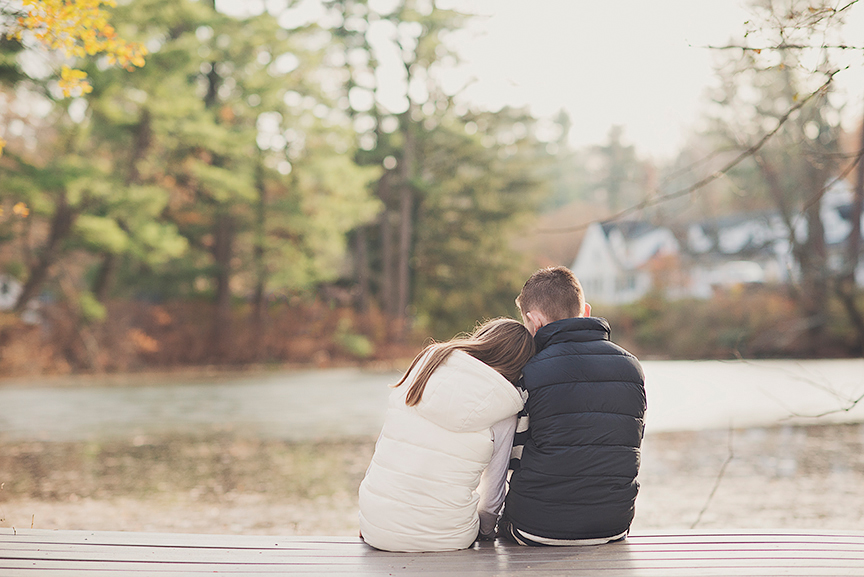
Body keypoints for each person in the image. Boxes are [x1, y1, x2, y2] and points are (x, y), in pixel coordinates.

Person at [358, 318, 536, 553]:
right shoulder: (505, 406)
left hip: (376, 527)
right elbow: (491, 501)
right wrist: (485, 532)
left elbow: (384, 445)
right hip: (448, 536)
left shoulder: (429, 362)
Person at [500, 266, 646, 546]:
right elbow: (630, 444)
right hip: (613, 526)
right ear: (586, 311)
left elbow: (512, 455)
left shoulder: (529, 371)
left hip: (535, 528)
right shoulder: (631, 367)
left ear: (535, 321)